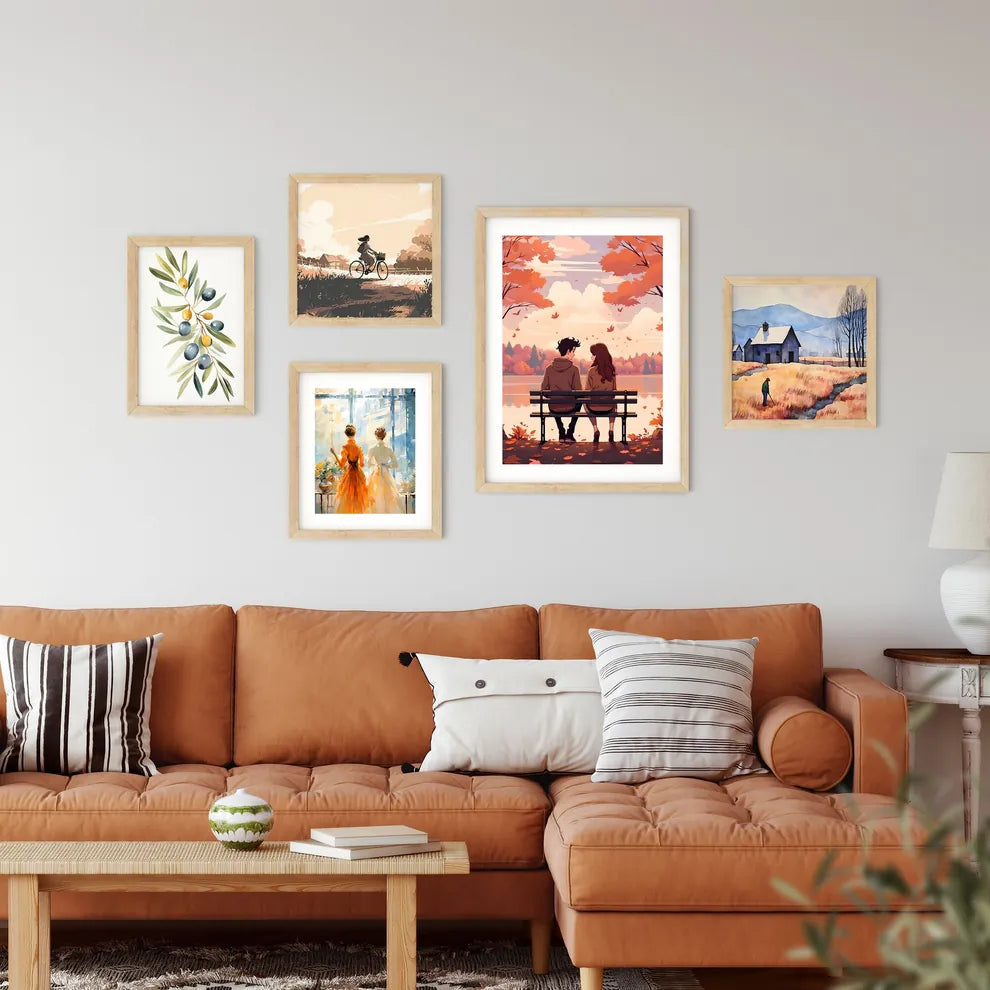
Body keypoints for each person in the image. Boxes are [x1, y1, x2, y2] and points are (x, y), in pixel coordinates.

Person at [541, 336, 582, 442]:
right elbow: (579, 391)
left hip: (554, 407)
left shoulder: (549, 369)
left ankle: (561, 431)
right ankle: (570, 433)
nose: (574, 354)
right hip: (570, 407)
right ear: (568, 351)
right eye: (573, 351)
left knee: (553, 402)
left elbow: (544, 389)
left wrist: (554, 395)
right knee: (580, 401)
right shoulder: (574, 369)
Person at [332, 425, 369, 514]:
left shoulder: (345, 447)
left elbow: (341, 465)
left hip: (349, 474)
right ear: (354, 434)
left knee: (347, 497)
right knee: (358, 498)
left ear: (346, 435)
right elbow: (362, 464)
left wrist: (334, 454)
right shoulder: (358, 448)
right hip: (358, 474)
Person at [585, 342, 617, 443]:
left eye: (593, 354)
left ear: (597, 356)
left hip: (593, 408)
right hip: (608, 407)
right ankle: (611, 429)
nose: (591, 357)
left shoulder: (591, 371)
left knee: (585, 402)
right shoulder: (611, 371)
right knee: (614, 403)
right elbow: (614, 391)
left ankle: (595, 429)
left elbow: (587, 391)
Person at [366, 427, 401, 514]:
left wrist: (376, 464)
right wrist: (386, 466)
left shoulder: (372, 448)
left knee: (377, 495)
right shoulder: (388, 449)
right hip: (385, 473)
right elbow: (395, 465)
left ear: (376, 436)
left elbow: (368, 464)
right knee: (387, 497)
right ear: (384, 436)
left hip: (376, 473)